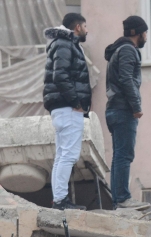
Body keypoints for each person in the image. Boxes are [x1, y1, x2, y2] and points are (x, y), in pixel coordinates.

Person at [44, 12, 90, 211]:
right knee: (68, 155)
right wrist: (76, 101)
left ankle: (58, 200)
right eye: (85, 27)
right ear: (78, 27)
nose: (87, 31)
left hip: (61, 106)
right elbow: (60, 76)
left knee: (62, 155)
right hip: (67, 106)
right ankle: (61, 201)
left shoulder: (62, 43)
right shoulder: (65, 43)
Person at [103, 16, 151, 210]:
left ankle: (118, 200)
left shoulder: (118, 50)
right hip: (123, 110)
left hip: (114, 109)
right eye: (145, 33)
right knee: (124, 155)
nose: (146, 37)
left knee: (119, 155)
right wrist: (136, 106)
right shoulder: (128, 51)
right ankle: (122, 198)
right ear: (137, 33)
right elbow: (126, 79)